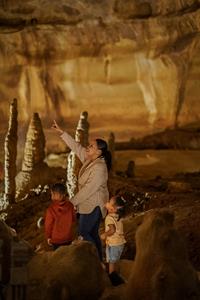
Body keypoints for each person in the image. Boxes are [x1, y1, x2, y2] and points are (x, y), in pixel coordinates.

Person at [51, 120, 112, 260]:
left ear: (99, 151)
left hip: (93, 205)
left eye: (91, 146)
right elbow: (76, 147)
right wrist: (62, 133)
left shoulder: (99, 168)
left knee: (84, 233)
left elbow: (88, 190)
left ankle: (95, 260)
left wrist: (71, 203)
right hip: (88, 204)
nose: (88, 147)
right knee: (93, 233)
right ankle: (100, 260)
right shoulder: (91, 159)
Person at [101, 195, 126, 286]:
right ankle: (117, 274)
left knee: (111, 263)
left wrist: (104, 235)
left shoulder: (109, 218)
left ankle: (114, 281)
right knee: (115, 261)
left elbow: (112, 230)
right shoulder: (118, 216)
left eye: (109, 202)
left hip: (114, 244)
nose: (107, 203)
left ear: (113, 209)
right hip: (120, 243)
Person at [44, 183, 76, 250]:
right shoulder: (70, 206)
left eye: (52, 194)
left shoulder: (51, 209)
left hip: (56, 240)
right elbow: (74, 220)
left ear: (53, 194)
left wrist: (48, 237)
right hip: (68, 238)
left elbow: (48, 225)